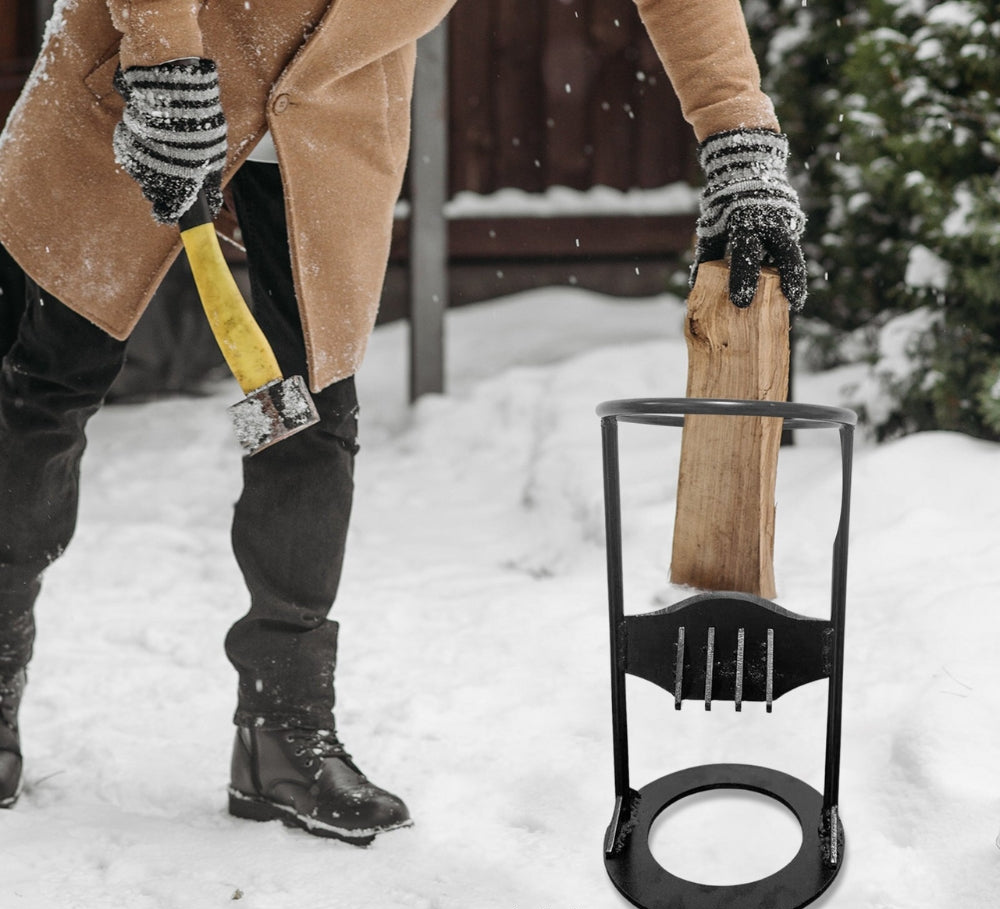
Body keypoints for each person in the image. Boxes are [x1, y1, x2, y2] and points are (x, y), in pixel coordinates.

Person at [0, 0, 806, 842]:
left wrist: (738, 138)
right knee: (50, 385)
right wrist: (163, 62)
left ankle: (283, 734)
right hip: (150, 81)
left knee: (309, 420)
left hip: (331, 118)